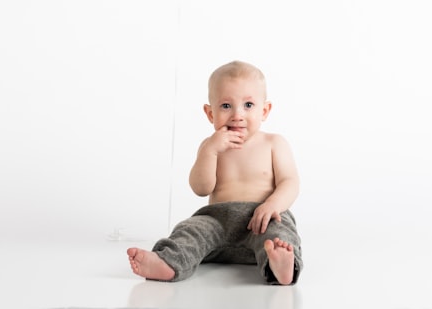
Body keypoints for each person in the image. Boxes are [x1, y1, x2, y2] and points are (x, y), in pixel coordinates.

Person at [127, 60, 303, 285]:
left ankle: (279, 265)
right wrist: (210, 151)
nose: (237, 115)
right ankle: (168, 262)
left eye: (248, 105)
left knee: (280, 233)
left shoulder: (273, 143)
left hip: (262, 220)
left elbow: (290, 182)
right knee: (190, 230)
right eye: (226, 106)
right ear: (210, 113)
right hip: (217, 221)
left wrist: (273, 205)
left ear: (265, 110)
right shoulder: (210, 146)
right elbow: (201, 189)